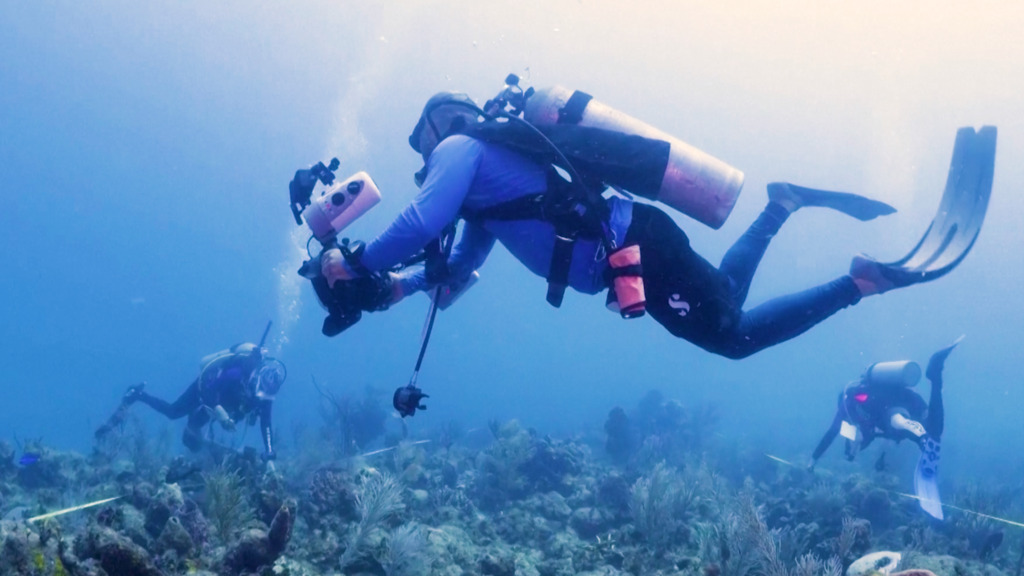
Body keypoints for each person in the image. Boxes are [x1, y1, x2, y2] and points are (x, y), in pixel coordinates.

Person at [319, 91, 931, 360]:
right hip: (632, 254)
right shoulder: (480, 188)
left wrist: (359, 262)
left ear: (437, 126)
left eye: (419, 143)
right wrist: (400, 288)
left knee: (733, 337)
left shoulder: (461, 149)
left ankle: (859, 282)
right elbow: (461, 263)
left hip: (636, 246)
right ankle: (782, 204)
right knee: (726, 303)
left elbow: (420, 220)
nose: (421, 159)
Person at [95, 343, 285, 462]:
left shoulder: (266, 393)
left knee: (195, 439)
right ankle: (137, 394)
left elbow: (265, 421)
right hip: (206, 389)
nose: (262, 399)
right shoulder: (237, 374)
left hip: (224, 407)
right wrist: (221, 414)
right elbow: (210, 389)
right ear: (257, 379)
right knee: (173, 412)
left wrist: (269, 450)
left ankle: (197, 442)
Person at [808, 339, 961, 470]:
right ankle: (935, 374)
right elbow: (877, 438)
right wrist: (878, 458)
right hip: (910, 401)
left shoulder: (847, 406)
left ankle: (920, 436)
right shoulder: (863, 415)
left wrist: (813, 459)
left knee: (896, 420)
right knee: (935, 430)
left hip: (895, 410)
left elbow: (831, 433)